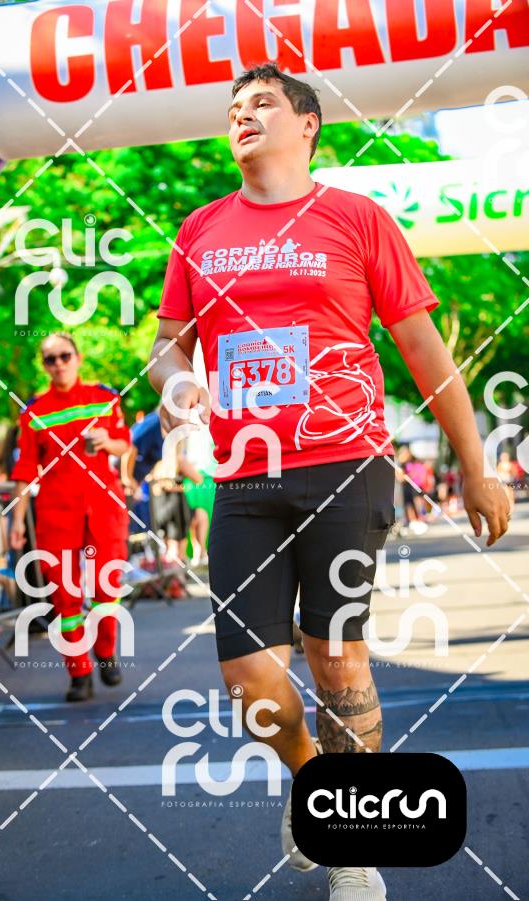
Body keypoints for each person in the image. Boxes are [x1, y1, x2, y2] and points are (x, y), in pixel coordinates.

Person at [148, 63, 511, 899]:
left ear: (308, 124)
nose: (243, 115)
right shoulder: (199, 229)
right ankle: (314, 781)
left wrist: (476, 465)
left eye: (262, 103)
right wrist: (178, 381)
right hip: (244, 475)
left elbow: (422, 348)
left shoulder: (356, 218)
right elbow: (169, 343)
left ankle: (351, 841)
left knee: (337, 658)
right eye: (234, 108)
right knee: (249, 683)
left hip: (346, 464)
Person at [9, 333, 131, 702]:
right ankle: (79, 673)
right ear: (44, 366)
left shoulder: (104, 398)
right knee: (65, 596)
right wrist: (17, 521)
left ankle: (105, 651)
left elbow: (124, 443)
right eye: (51, 359)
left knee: (106, 588)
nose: (59, 363)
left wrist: (107, 442)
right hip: (56, 512)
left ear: (77, 358)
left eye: (64, 356)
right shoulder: (33, 412)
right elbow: (25, 469)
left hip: (103, 507)